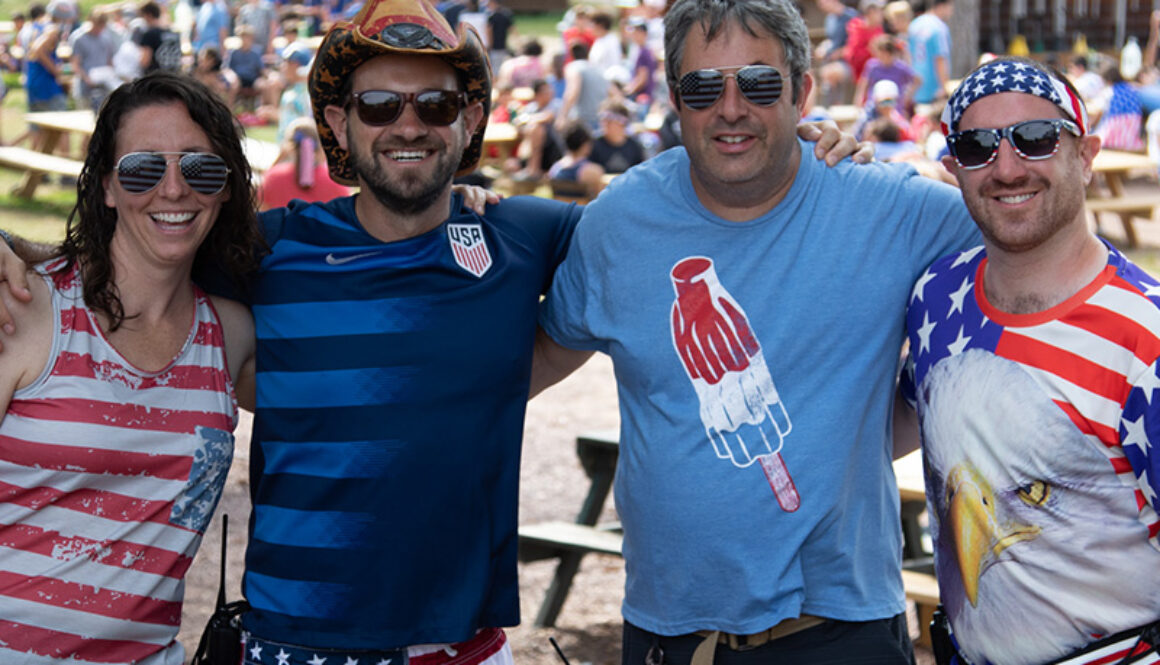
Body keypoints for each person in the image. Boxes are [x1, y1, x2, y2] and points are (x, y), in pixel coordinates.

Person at [0, 2, 866, 662]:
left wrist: (805, 149)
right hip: (291, 639)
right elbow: (140, 250)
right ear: (338, 123)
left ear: (467, 117)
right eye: (378, 103)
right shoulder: (269, 250)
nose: (407, 122)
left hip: (460, 645)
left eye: (435, 100)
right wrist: (23, 256)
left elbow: (677, 214)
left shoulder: (527, 237)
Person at [532, 0, 981, 661]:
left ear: (803, 91)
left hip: (840, 632)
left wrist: (914, 406)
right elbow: (530, 361)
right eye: (704, 87)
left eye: (761, 83)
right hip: (669, 635)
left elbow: (1028, 252)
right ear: (675, 98)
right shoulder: (620, 224)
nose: (732, 108)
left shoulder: (886, 207)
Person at [902, 55, 1160, 665]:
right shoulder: (936, 295)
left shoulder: (1145, 339)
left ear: (1086, 155)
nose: (1007, 166)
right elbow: (902, 425)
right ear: (952, 169)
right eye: (976, 147)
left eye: (1037, 139)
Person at [0, 71, 261, 664]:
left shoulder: (232, 335)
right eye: (144, 169)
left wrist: (457, 209)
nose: (174, 190)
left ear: (225, 189)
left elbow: (359, 395)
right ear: (108, 188)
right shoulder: (26, 309)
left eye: (200, 169)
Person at [259, 115, 352, 209]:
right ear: (321, 148)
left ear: (288, 147)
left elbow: (263, 215)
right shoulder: (336, 181)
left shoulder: (272, 178)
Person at [68, 6, 118, 111]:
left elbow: (110, 60)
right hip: (85, 88)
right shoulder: (79, 38)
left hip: (103, 87)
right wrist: (87, 79)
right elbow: (75, 64)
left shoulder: (106, 38)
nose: (99, 29)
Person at [908, 0, 952, 106]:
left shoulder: (915, 24)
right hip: (933, 89)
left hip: (916, 87)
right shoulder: (939, 28)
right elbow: (940, 58)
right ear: (942, 6)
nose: (951, 12)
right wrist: (944, 87)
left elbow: (909, 55)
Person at [547, 120, 605, 199]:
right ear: (585, 144)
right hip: (580, 210)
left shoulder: (554, 169)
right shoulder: (592, 171)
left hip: (561, 209)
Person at [589, 99, 646, 174]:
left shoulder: (635, 147)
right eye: (602, 120)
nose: (604, 124)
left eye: (609, 120)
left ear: (621, 123)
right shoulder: (593, 145)